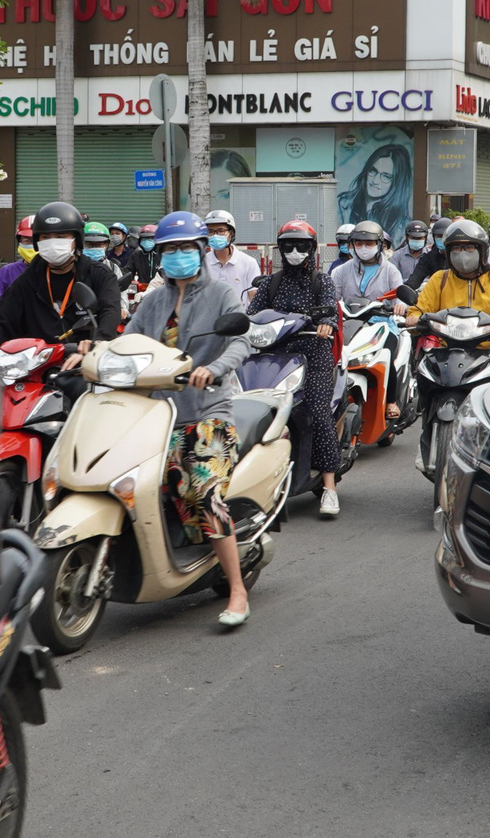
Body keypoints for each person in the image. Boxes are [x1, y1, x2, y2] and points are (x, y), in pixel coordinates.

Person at [126, 211, 258, 625]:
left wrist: (214, 369)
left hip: (209, 413)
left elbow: (241, 341)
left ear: (202, 250)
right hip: (157, 416)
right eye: (170, 249)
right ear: (160, 255)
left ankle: (237, 591)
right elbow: (129, 342)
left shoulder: (221, 294)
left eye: (186, 247)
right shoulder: (153, 300)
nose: (179, 255)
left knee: (202, 491)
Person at [247, 220, 345, 518]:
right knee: (248, 408)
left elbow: (329, 307)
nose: (293, 251)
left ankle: (329, 488)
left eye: (300, 245)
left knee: (318, 412)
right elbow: (252, 315)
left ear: (311, 249)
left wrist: (326, 323)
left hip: (313, 355)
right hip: (274, 356)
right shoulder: (271, 283)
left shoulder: (322, 281)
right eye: (288, 245)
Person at [0, 201, 122, 350]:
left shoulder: (100, 274)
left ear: (76, 240)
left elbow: (110, 311)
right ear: (37, 241)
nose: (53, 243)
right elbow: (2, 322)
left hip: (83, 361)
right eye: (46, 237)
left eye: (61, 236)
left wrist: (99, 341)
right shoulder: (27, 280)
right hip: (36, 363)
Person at [404, 219, 490, 364]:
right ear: (448, 253)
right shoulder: (439, 279)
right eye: (456, 249)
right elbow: (419, 308)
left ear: (482, 251)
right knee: (424, 380)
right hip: (447, 350)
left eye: (469, 248)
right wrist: (413, 318)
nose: (462, 254)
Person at [331, 220, 408, 427]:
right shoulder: (341, 271)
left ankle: (391, 401)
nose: (363, 248)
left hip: (381, 324)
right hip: (348, 323)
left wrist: (399, 306)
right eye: (358, 243)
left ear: (380, 244)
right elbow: (332, 298)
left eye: (369, 243)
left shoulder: (391, 271)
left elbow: (399, 295)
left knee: (386, 355)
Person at [340, 140, 412, 232]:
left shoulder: (402, 225)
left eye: (386, 176)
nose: (375, 181)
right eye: (373, 171)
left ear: (397, 183)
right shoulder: (343, 204)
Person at [204, 208, 262, 296]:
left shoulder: (248, 263)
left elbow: (253, 295)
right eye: (210, 231)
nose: (215, 235)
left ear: (230, 234)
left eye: (221, 231)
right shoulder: (202, 263)